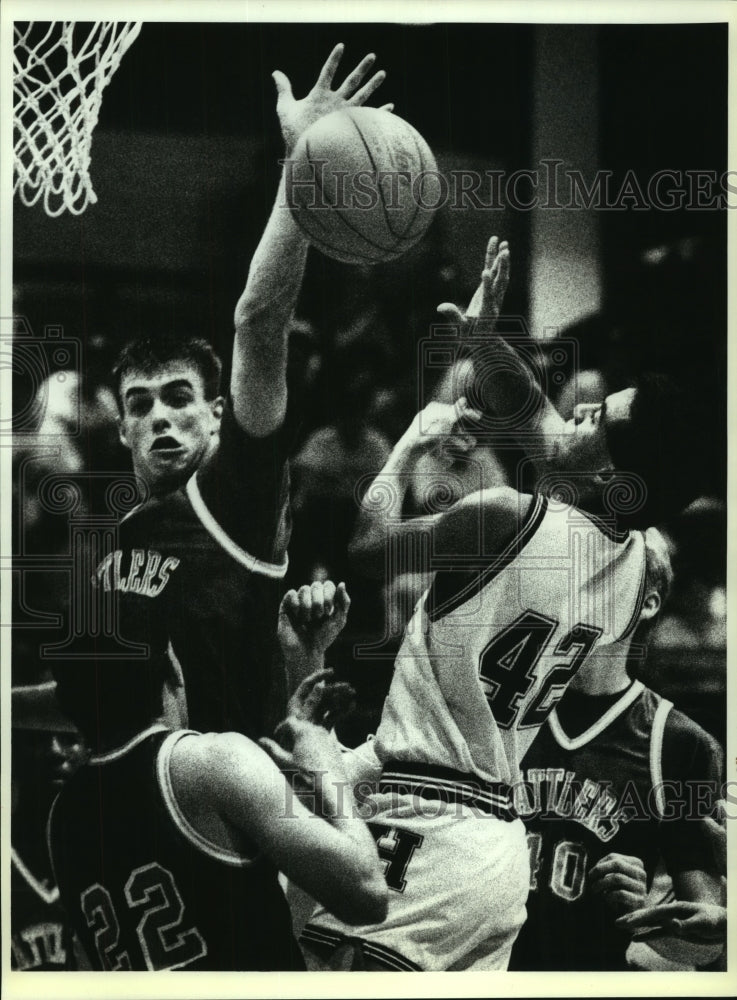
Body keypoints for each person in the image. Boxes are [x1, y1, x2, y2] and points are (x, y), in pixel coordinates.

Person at [301, 236, 706, 971]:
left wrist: (413, 441)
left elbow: (368, 544)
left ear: (614, 466)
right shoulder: (639, 566)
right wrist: (482, 339)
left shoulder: (496, 515)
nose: (574, 413)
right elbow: (548, 432)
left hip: (424, 819)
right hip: (497, 851)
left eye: (596, 419)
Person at [55, 44, 392, 741]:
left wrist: (300, 165)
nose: (161, 417)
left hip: (224, 824)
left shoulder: (232, 493)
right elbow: (77, 701)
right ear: (121, 432)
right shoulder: (113, 545)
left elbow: (259, 321)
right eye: (141, 405)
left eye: (179, 397)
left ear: (217, 414)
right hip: (140, 813)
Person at [48, 582, 388, 971]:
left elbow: (265, 926)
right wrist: (325, 764)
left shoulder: (61, 820)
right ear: (173, 669)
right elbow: (367, 893)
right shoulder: (207, 762)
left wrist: (304, 664)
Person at [507, 527, 724, 971]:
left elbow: (706, 942)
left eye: (612, 571)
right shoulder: (505, 708)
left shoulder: (680, 742)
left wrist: (643, 911)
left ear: (648, 602)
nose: (590, 582)